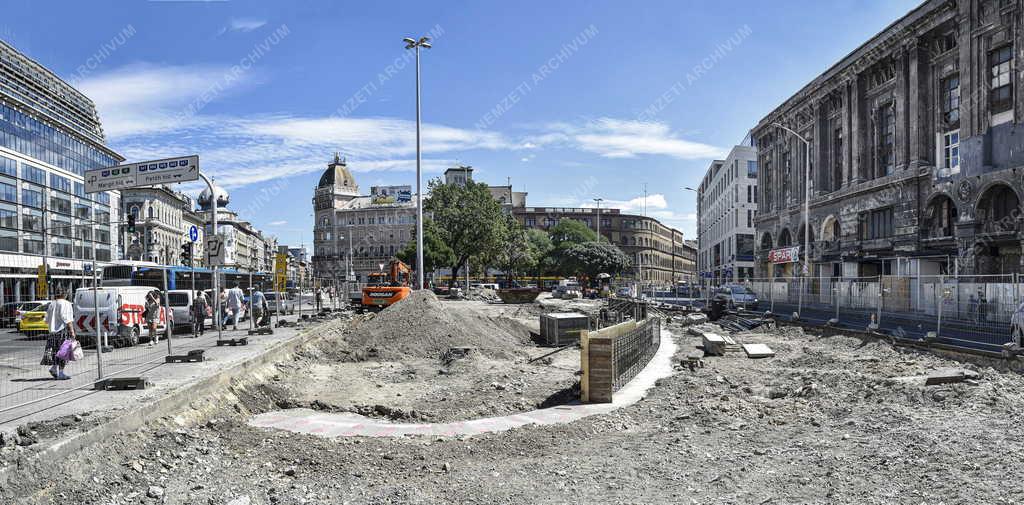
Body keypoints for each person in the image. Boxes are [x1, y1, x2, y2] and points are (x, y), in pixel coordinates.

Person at [43, 291, 76, 380]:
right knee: (63, 352)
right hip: (62, 331)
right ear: (64, 294)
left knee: (55, 351)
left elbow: (46, 319)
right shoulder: (66, 303)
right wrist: (72, 331)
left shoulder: (52, 304)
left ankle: (54, 368)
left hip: (52, 332)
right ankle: (60, 373)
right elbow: (67, 319)